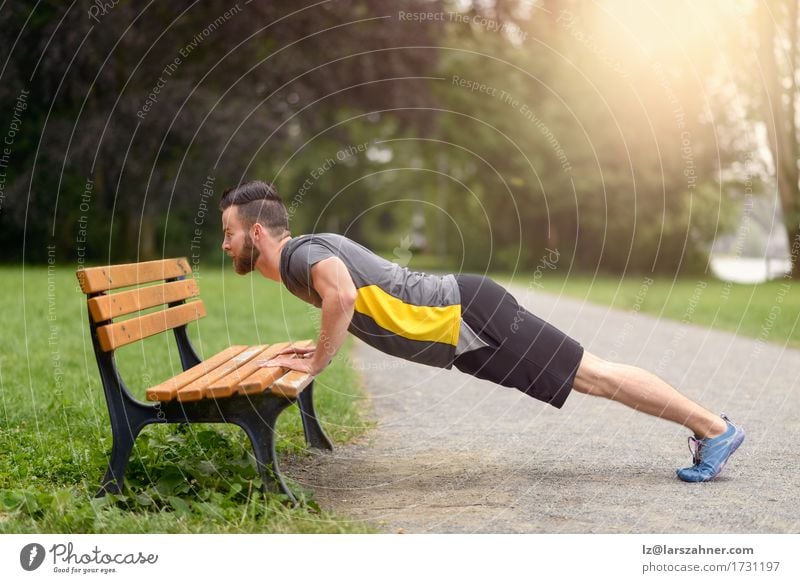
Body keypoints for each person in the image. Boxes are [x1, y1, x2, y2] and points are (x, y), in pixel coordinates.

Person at [219, 180, 744, 482]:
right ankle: (710, 429)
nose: (225, 244)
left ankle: (714, 430)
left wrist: (316, 362)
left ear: (257, 233)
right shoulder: (302, 255)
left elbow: (344, 296)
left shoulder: (301, 255)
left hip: (468, 314)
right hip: (461, 331)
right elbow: (353, 301)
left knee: (593, 374)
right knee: (588, 378)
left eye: (229, 233)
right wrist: (318, 345)